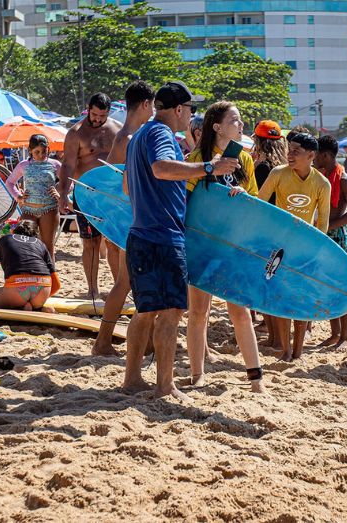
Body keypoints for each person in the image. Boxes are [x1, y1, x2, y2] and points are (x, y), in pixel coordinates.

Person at [123, 81, 238, 400]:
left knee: (145, 311)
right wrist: (208, 168)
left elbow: (127, 188)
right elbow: (161, 169)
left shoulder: (138, 137)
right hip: (162, 236)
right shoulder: (161, 133)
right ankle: (164, 385)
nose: (192, 116)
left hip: (140, 233)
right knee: (172, 312)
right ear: (177, 110)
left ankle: (132, 379)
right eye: (191, 109)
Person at [184, 101, 265, 393]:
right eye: (235, 120)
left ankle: (256, 380)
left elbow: (256, 202)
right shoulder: (196, 158)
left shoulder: (244, 159)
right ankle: (197, 376)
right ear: (217, 126)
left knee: (240, 312)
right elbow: (187, 205)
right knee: (198, 312)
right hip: (203, 243)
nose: (240, 125)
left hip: (233, 244)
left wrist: (243, 195)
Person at [92, 80, 155, 356]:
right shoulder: (129, 138)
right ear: (144, 104)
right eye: (152, 105)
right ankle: (103, 341)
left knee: (130, 281)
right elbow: (129, 184)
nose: (153, 110)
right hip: (130, 218)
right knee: (125, 282)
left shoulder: (125, 136)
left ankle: (143, 341)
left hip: (124, 217)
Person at [258, 132, 331, 361]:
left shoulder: (322, 183)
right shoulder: (278, 174)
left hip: (304, 250)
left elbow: (322, 225)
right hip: (277, 247)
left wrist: (314, 255)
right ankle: (285, 350)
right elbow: (260, 206)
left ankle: (297, 351)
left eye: (296, 151)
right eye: (289, 150)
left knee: (301, 302)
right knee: (279, 298)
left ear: (311, 155)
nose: (289, 155)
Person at [58, 92, 122, 299]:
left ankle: (118, 288)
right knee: (91, 243)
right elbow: (68, 165)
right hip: (85, 193)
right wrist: (62, 194)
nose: (97, 119)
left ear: (108, 112)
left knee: (115, 242)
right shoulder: (76, 133)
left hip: (111, 194)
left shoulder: (116, 129)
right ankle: (92, 289)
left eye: (102, 116)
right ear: (88, 108)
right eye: (94, 115)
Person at [314, 135, 347, 350]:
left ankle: (345, 336)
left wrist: (328, 226)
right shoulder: (320, 176)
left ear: (325, 155)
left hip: (337, 235)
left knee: (341, 285)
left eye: (315, 155)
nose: (312, 158)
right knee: (328, 285)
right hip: (323, 234)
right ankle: (334, 334)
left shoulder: (343, 179)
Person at [251, 120, 287, 348]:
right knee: (273, 284)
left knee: (267, 286)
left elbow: (261, 203)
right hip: (280, 229)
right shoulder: (283, 166)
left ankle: (275, 338)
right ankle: (275, 337)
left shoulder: (264, 168)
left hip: (266, 231)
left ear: (258, 140)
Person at [0, 220, 61, 311]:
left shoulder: (5, 239)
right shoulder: (40, 244)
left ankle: (21, 305)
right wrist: (40, 299)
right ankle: (35, 307)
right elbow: (56, 285)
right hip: (42, 287)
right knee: (33, 301)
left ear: (14, 231)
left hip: (17, 288)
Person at [5, 134, 62, 261]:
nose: (41, 155)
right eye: (37, 152)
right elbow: (9, 183)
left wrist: (59, 192)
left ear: (48, 149)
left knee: (48, 247)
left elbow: (69, 183)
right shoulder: (23, 165)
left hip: (50, 209)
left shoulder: (55, 164)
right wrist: (18, 197)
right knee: (24, 245)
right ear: (30, 151)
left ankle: (51, 279)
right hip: (28, 210)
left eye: (44, 151)